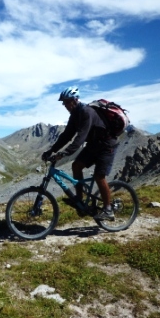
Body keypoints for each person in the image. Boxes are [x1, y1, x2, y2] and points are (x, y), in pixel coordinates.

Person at [41, 86, 117, 221]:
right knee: (76, 165)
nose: (65, 105)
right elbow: (66, 136)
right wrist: (51, 150)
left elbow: (80, 137)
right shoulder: (74, 115)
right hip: (93, 145)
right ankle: (79, 199)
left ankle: (108, 209)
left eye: (67, 102)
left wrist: (64, 153)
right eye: (64, 103)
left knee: (99, 176)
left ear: (75, 99)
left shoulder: (87, 112)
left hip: (106, 146)